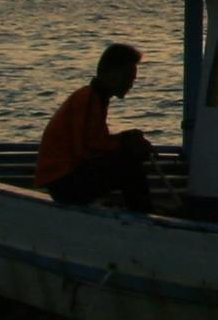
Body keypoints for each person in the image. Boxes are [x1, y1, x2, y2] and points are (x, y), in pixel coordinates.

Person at [36, 42, 156, 211]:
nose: (130, 84)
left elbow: (96, 141)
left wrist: (124, 138)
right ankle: (144, 212)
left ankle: (141, 208)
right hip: (63, 181)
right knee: (129, 164)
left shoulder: (96, 98)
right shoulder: (88, 99)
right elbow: (89, 148)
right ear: (112, 73)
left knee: (128, 156)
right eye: (128, 77)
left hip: (65, 176)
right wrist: (125, 144)